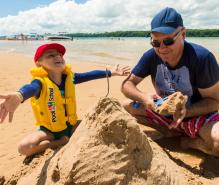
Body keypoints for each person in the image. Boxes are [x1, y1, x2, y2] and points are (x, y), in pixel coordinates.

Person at [121, 7, 219, 157]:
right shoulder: (151, 56)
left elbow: (214, 102)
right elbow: (126, 84)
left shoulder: (202, 58)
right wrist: (145, 98)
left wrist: (187, 111)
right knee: (124, 106)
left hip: (197, 115)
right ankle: (168, 131)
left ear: (183, 34)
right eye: (155, 43)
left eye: (168, 41)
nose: (162, 48)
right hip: (164, 111)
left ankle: (190, 142)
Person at [0, 43, 130, 156]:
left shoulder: (70, 77)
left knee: (103, 123)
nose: (57, 56)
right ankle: (61, 142)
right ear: (38, 63)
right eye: (50, 55)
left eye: (60, 55)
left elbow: (90, 74)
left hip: (72, 126)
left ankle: (66, 138)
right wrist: (19, 95)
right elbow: (30, 88)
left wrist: (111, 73)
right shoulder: (39, 83)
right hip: (49, 132)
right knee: (23, 147)